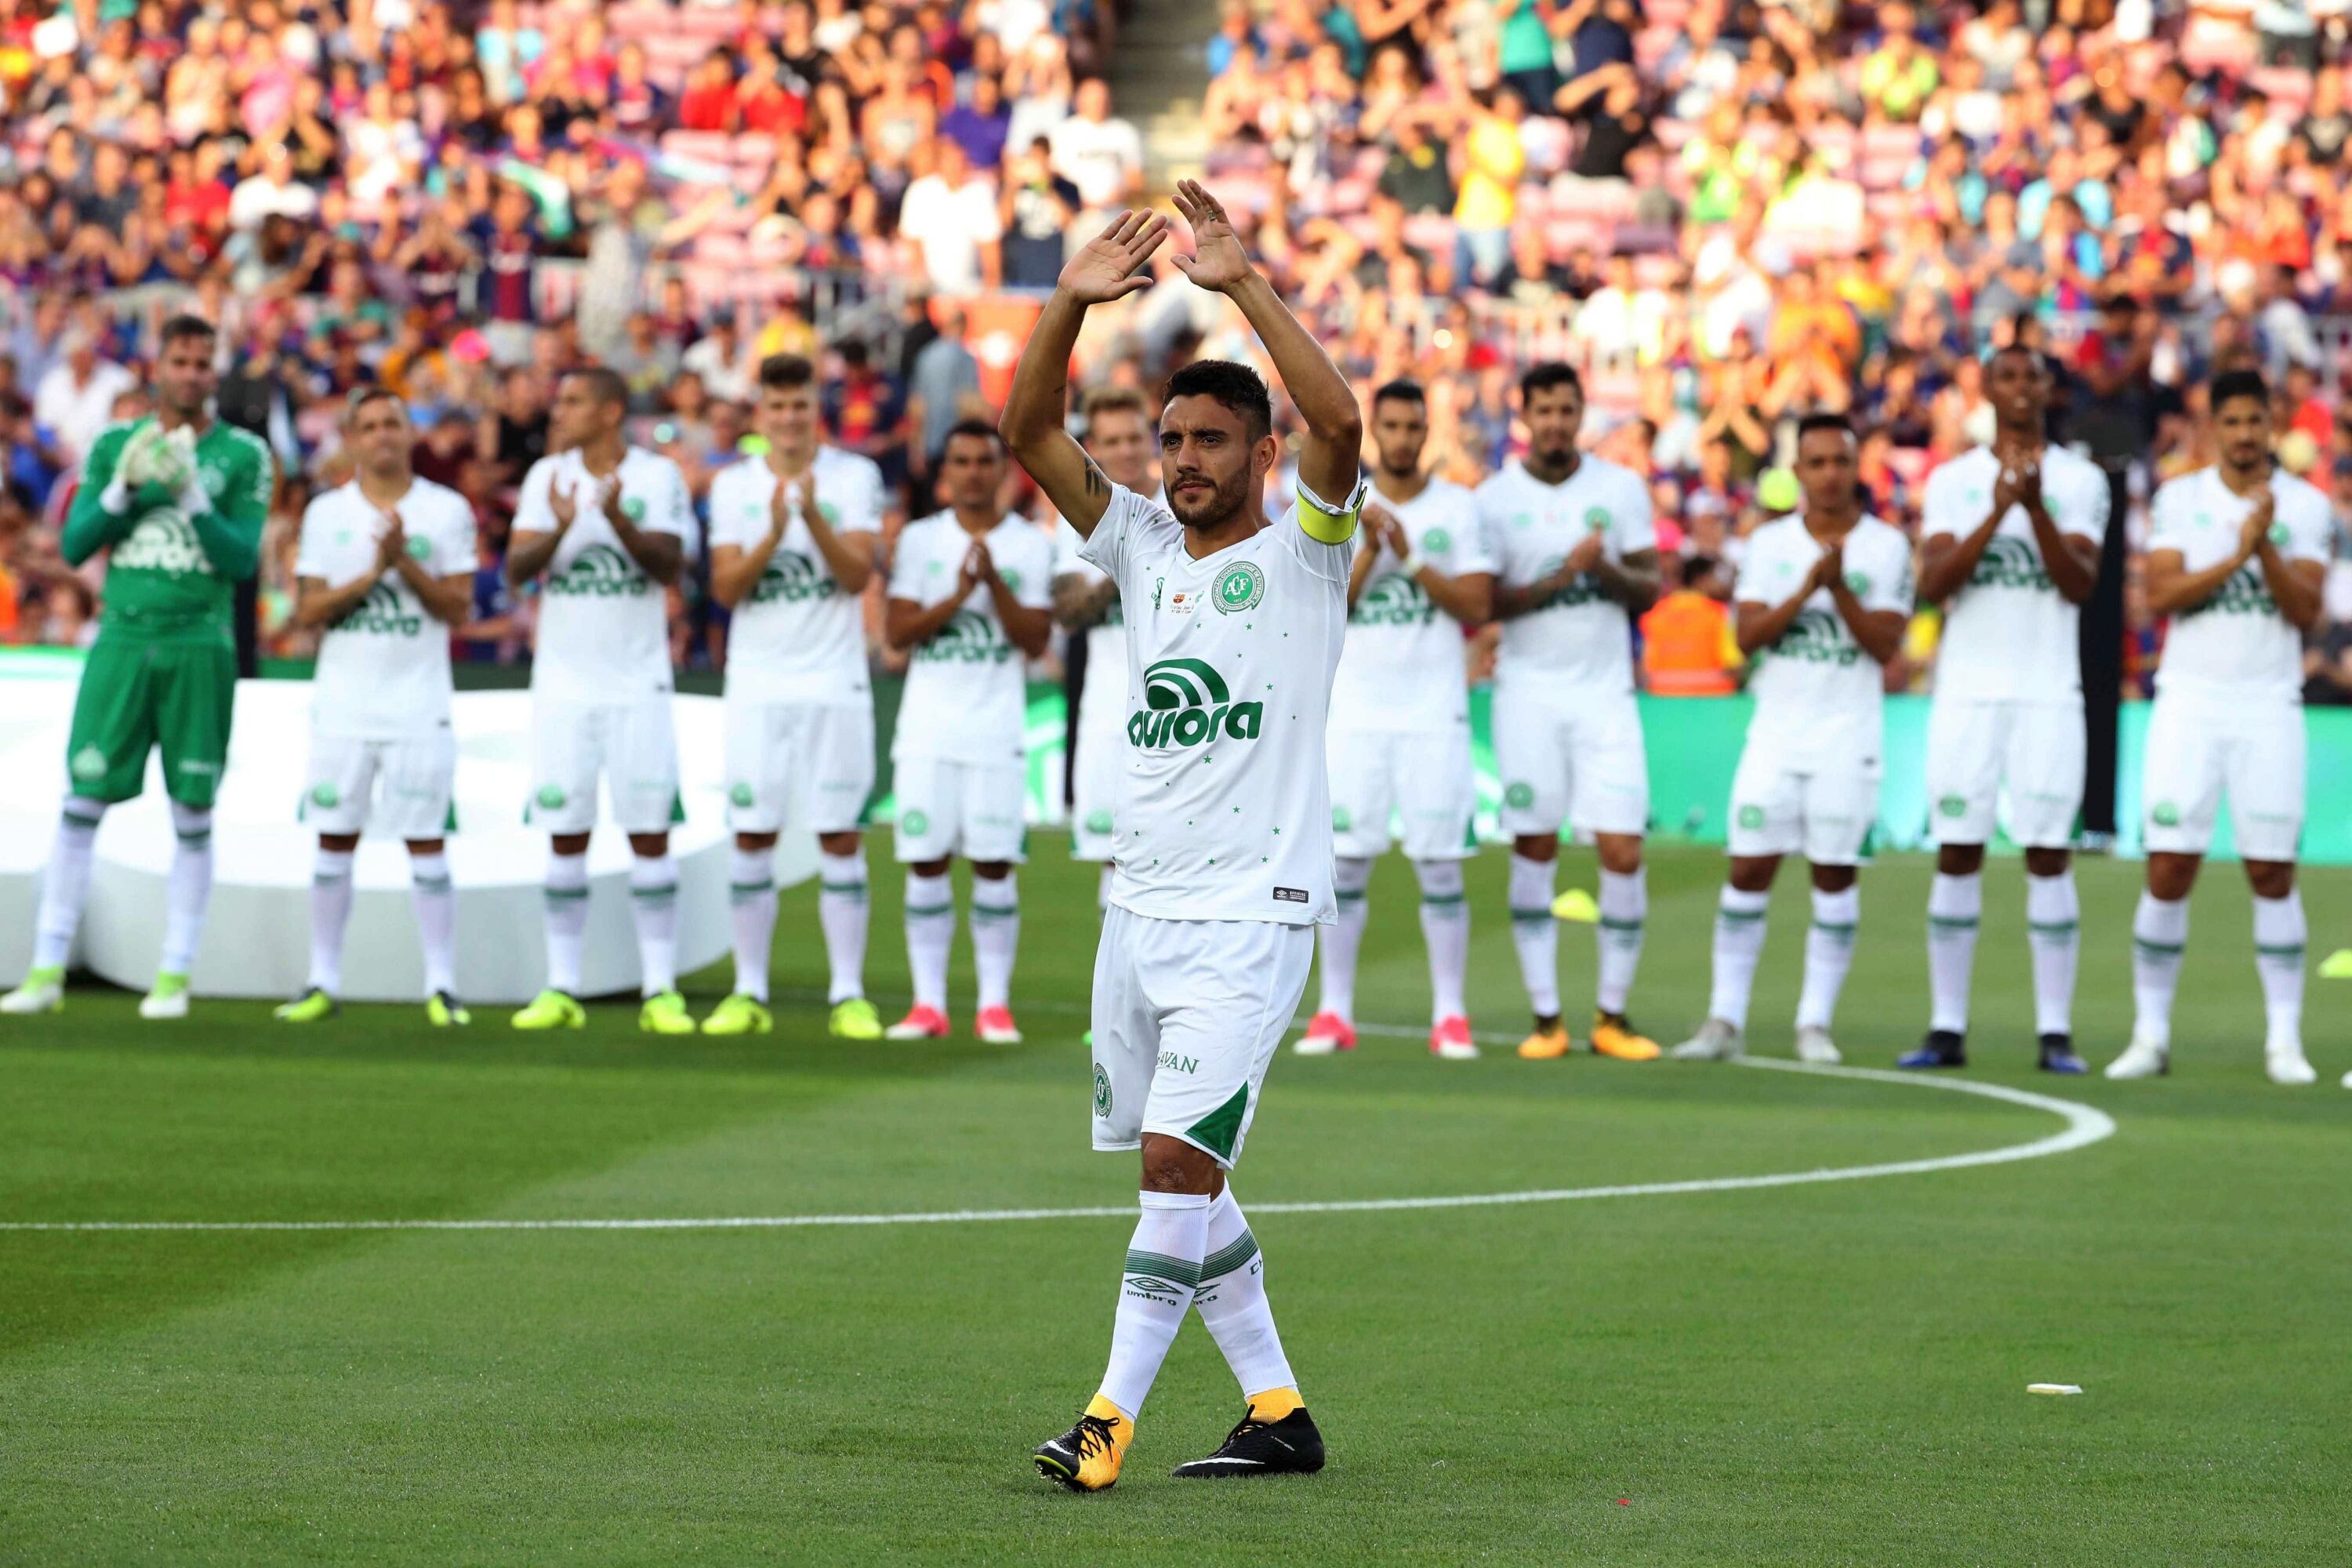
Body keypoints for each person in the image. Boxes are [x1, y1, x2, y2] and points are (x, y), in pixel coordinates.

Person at [1000, 183, 1364, 1490]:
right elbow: (1025, 428)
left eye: (1211, 439)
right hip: (1136, 911)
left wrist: (1243, 283)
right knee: (1184, 1182)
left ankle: (1107, 1421)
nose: (1183, 460)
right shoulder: (1145, 547)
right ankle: (1276, 1410)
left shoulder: (1312, 552)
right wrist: (1065, 299)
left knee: (1172, 1167)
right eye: (1170, 439)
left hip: (1249, 916)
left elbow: (1341, 417)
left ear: (1260, 454)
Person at [3, 315, 274, 1020]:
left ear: (213, 372)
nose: (191, 374)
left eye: (201, 363)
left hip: (198, 643)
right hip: (121, 640)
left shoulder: (243, 453)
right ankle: (46, 969)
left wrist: (191, 498)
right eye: (180, 361)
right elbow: (74, 543)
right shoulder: (116, 445)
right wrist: (122, 492)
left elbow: (243, 561)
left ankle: (175, 973)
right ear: (158, 368)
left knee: (192, 810)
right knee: (82, 801)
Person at [2106, 370, 2330, 1085]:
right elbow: (2162, 594)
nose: (2242, 435)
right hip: (2190, 703)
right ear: (2212, 427)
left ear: (2273, 425)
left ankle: (2284, 1041)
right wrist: (2239, 552)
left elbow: (2305, 612)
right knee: (2169, 865)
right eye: (2230, 422)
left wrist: (2264, 546)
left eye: (2253, 422)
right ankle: (2150, 1033)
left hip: (2269, 703)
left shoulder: (2307, 506)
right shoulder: (2180, 499)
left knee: (2272, 870)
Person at [1673, 416, 1913, 1063]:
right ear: (1799, 472)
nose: (1830, 473)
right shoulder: (1771, 545)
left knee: (1834, 876)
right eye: (1817, 462)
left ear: (1856, 466)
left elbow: (1888, 647)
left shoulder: (1886, 547)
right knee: (1748, 867)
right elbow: (1747, 637)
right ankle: (1724, 1019)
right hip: (1777, 731)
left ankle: (1814, 1022)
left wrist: (1840, 590)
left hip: (1847, 733)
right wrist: (1810, 588)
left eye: (1841, 460)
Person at [1905, 346, 2109, 1073]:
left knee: (2048, 854)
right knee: (1957, 851)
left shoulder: (2080, 480)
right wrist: (1998, 511)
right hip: (1968, 692)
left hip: (2048, 691)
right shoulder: (1954, 480)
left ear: (2049, 389)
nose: (2021, 390)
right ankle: (1946, 1027)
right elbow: (1934, 582)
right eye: (2008, 377)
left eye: (2033, 378)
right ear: (1987, 387)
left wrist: (2034, 509)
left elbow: (2078, 582)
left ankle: (2055, 1032)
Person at [1298, 378, 1493, 1061]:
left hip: (1433, 715)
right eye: (1394, 427)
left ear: (1426, 433)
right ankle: (1334, 1011)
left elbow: (1475, 604)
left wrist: (1410, 554)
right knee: (1345, 867)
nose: (1404, 439)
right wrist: (1374, 552)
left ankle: (1451, 1014)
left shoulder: (1459, 509)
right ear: (1375, 431)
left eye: (1415, 427)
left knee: (1440, 868)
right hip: (1354, 715)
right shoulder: (1341, 508)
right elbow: (1319, 610)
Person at [1475, 362, 1662, 1063]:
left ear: (1582, 414)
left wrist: (1603, 569)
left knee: (1623, 849)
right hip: (1527, 695)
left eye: (1566, 410)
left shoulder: (1620, 490)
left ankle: (1611, 1015)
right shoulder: (1494, 500)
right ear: (1524, 416)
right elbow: (1486, 604)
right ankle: (1547, 1018)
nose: (1555, 422)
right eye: (1543, 410)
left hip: (1604, 697)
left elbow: (1650, 588)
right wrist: (1562, 577)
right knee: (1535, 845)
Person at [273, 389, 477, 1026]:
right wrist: (371, 572)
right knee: (334, 839)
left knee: (427, 841)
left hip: (418, 704)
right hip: (344, 705)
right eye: (370, 426)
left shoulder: (446, 511)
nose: (383, 435)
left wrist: (405, 563)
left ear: (409, 433)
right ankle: (322, 979)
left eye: (394, 423)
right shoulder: (327, 513)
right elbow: (305, 612)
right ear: (353, 440)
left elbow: (459, 608)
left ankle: (442, 984)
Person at [503, 368, 694, 1033]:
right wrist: (559, 530)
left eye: (574, 400)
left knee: (648, 831)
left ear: (611, 412)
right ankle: (561, 986)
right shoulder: (545, 477)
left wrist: (616, 521)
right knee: (565, 834)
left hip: (637, 685)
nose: (560, 410)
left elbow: (671, 567)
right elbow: (517, 571)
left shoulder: (655, 477)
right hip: (562, 687)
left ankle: (660, 988)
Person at [702, 355, 887, 1041]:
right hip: (757, 684)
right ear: (760, 414)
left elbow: (854, 574)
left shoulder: (854, 476)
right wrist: (777, 530)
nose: (788, 418)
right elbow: (725, 590)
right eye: (776, 407)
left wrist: (808, 517)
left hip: (834, 684)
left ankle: (848, 993)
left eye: (799, 405)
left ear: (817, 409)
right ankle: (749, 989)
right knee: (753, 833)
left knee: (840, 834)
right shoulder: (733, 487)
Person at [880, 419, 1053, 1044]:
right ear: (945, 472)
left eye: (985, 461)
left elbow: (1035, 640)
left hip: (995, 733)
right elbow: (896, 635)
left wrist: (994, 585)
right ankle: (928, 1004)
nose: (973, 472)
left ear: (1002, 472)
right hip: (927, 732)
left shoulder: (1031, 545)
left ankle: (993, 1005)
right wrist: (956, 597)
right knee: (924, 863)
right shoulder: (921, 540)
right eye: (961, 461)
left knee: (994, 865)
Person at [1052, 386, 1156, 902]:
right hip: (1107, 711)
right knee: (1114, 864)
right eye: (1112, 441)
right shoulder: (1074, 515)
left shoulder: (1184, 506)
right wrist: (1129, 561)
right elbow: (1069, 612)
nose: (1126, 451)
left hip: (1177, 711)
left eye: (1135, 438)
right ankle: (1120, 987)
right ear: (1093, 446)